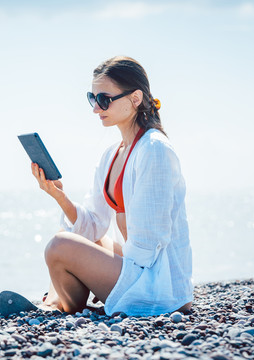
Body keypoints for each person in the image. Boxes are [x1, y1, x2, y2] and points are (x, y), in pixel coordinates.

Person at [31, 56, 193, 316]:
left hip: (159, 287)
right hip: (136, 266)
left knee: (59, 246)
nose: (96, 108)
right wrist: (58, 196)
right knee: (78, 237)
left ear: (135, 98)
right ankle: (55, 302)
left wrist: (105, 270)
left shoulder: (154, 149)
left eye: (104, 99)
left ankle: (56, 304)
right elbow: (93, 224)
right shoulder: (112, 153)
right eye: (92, 99)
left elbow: (151, 241)